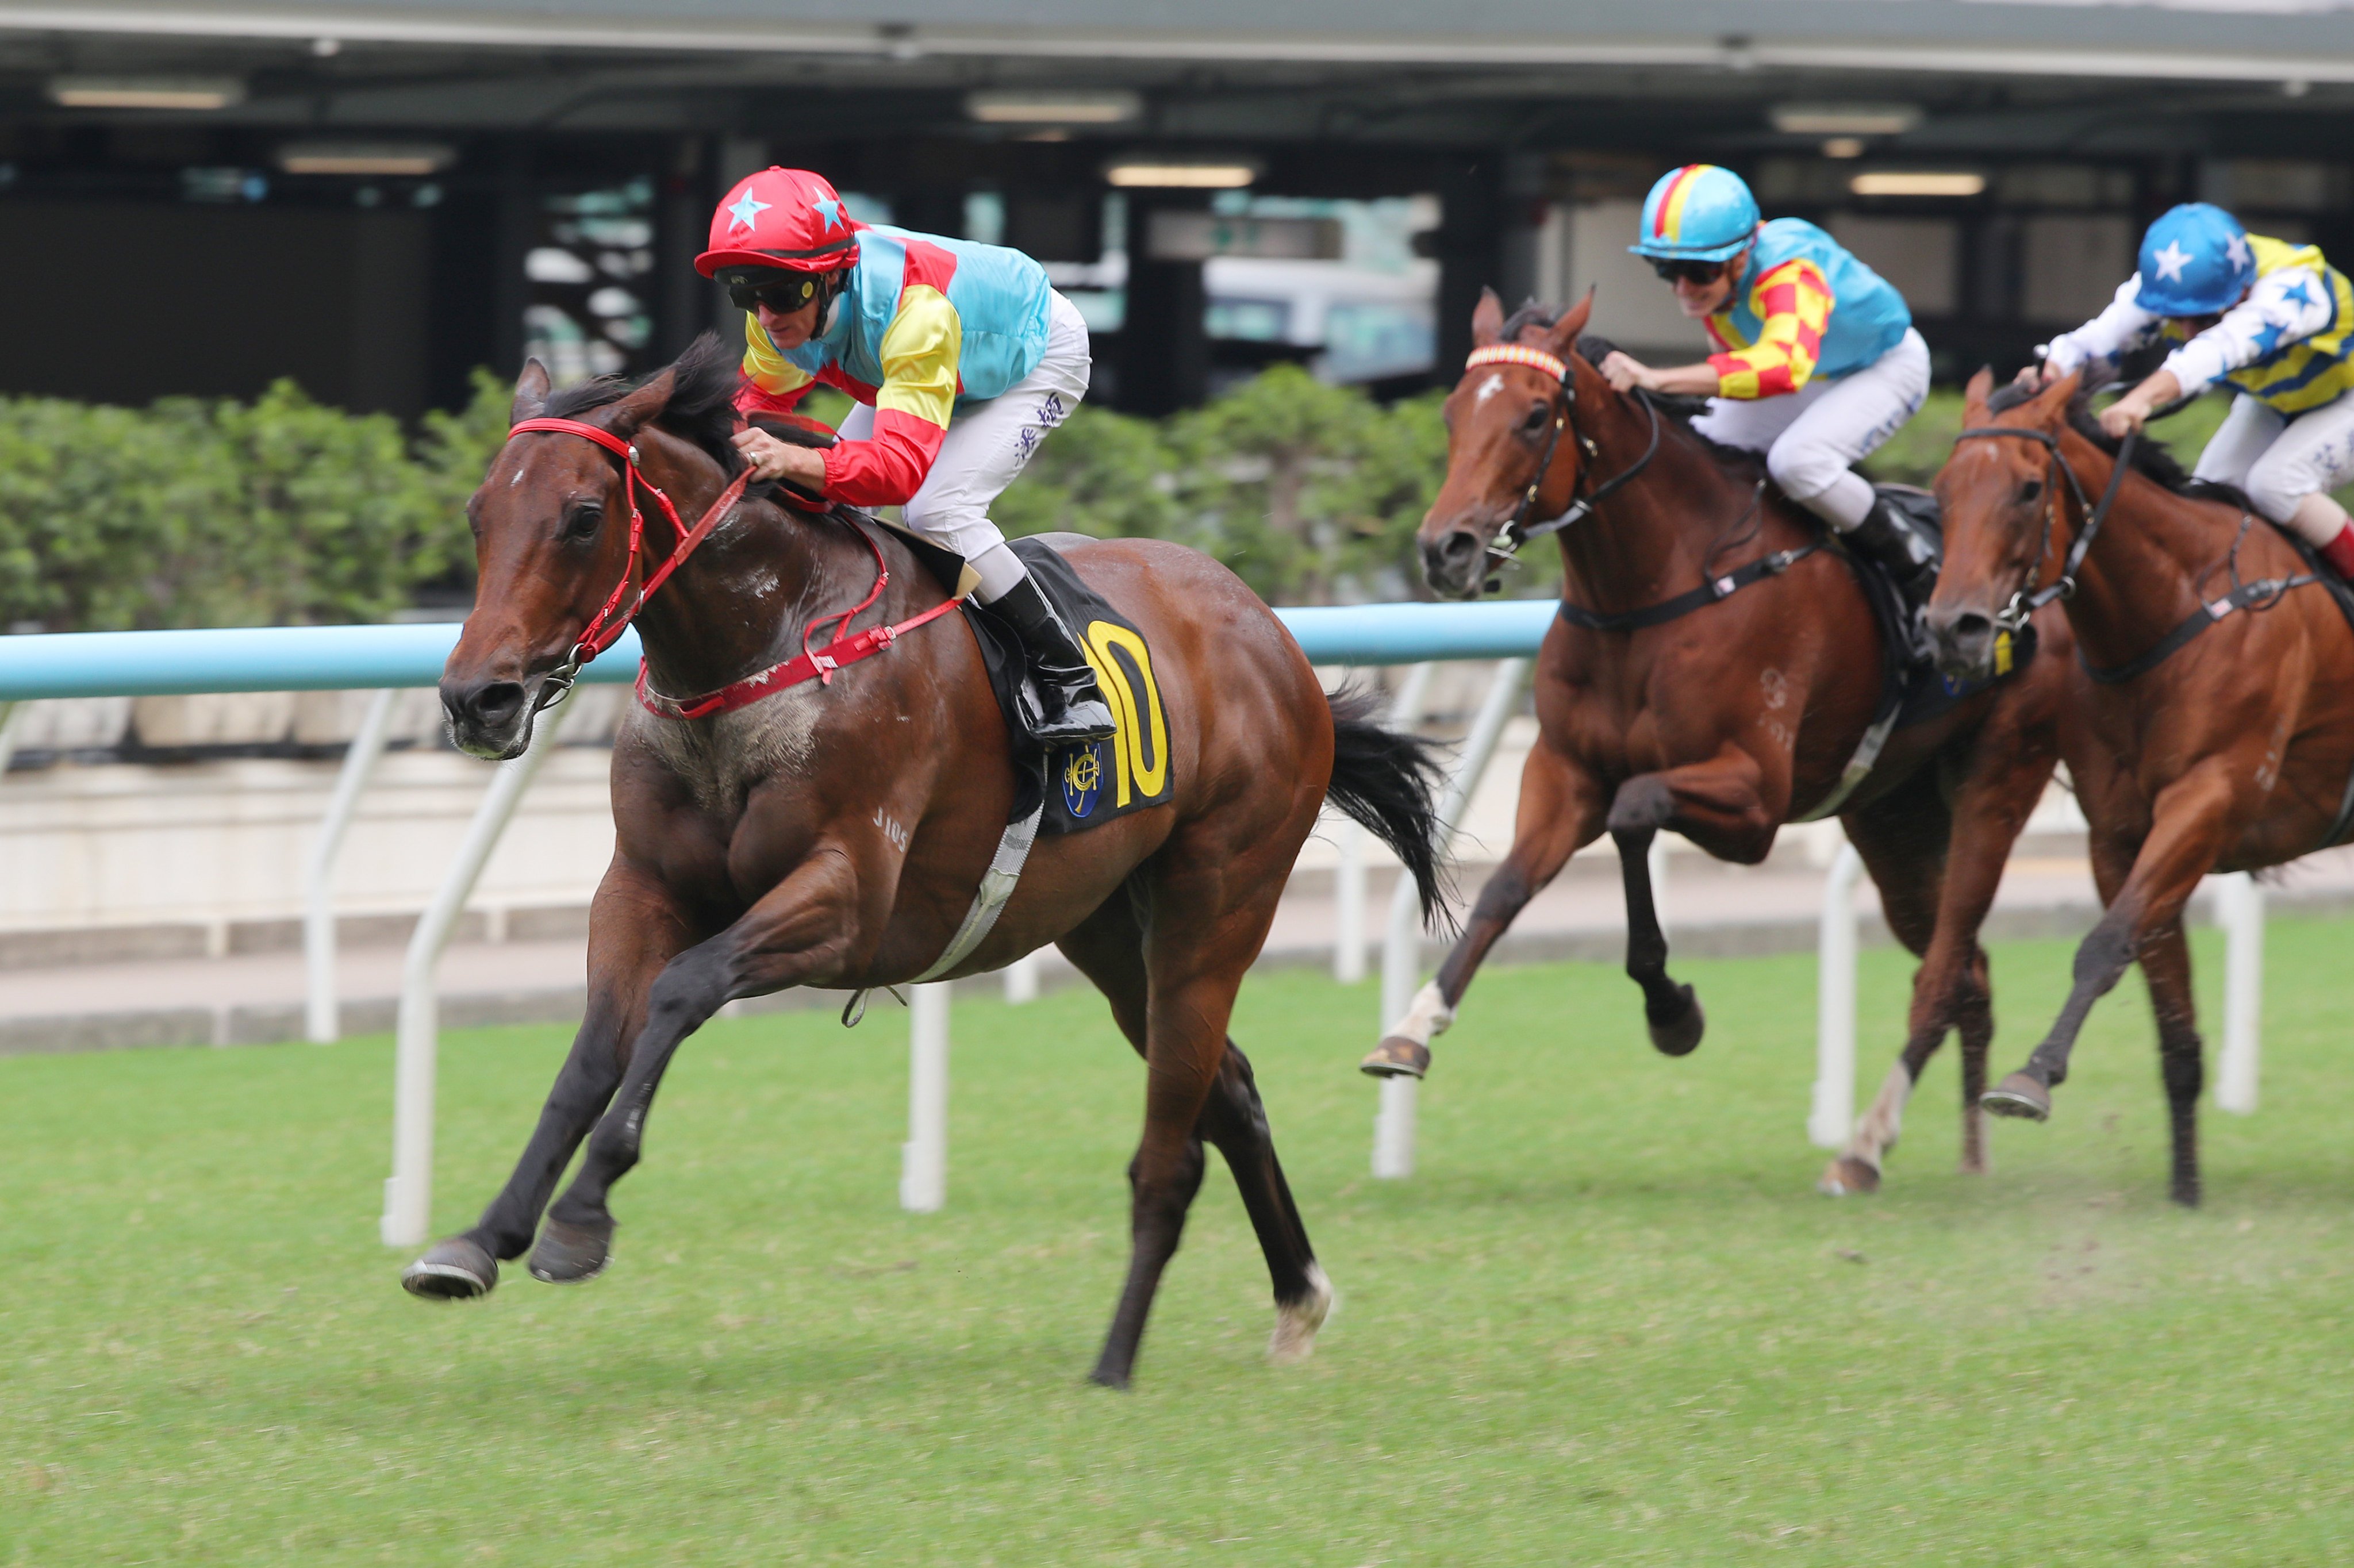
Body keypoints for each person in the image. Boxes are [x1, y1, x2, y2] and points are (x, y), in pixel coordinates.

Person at [696, 166, 1115, 746]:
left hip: (1032, 354)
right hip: (922, 366)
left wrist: (791, 459)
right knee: (837, 507)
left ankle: (1073, 681)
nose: (766, 315)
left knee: (936, 513)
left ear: (830, 280)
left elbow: (896, 475)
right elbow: (757, 403)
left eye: (781, 294)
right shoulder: (780, 310)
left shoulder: (915, 314)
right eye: (747, 292)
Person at [1597, 164, 1937, 601]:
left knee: (1798, 463)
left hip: (1883, 368)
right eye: (1665, 269)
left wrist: (1659, 380)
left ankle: (1918, 571)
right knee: (1694, 451)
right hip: (1814, 374)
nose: (1682, 288)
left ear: (1741, 256)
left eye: (1698, 272)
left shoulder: (1789, 269)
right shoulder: (1726, 281)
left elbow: (1781, 367)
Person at [2023, 201, 2354, 579]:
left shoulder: (2293, 288)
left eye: (2204, 318)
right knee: (2211, 495)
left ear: (2244, 288)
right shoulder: (2166, 288)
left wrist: (2140, 399)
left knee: (2276, 485)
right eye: (2176, 318)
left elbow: (2216, 350)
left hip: (2346, 395)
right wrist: (2046, 371)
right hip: (2275, 401)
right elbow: (2094, 340)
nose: (2186, 331)